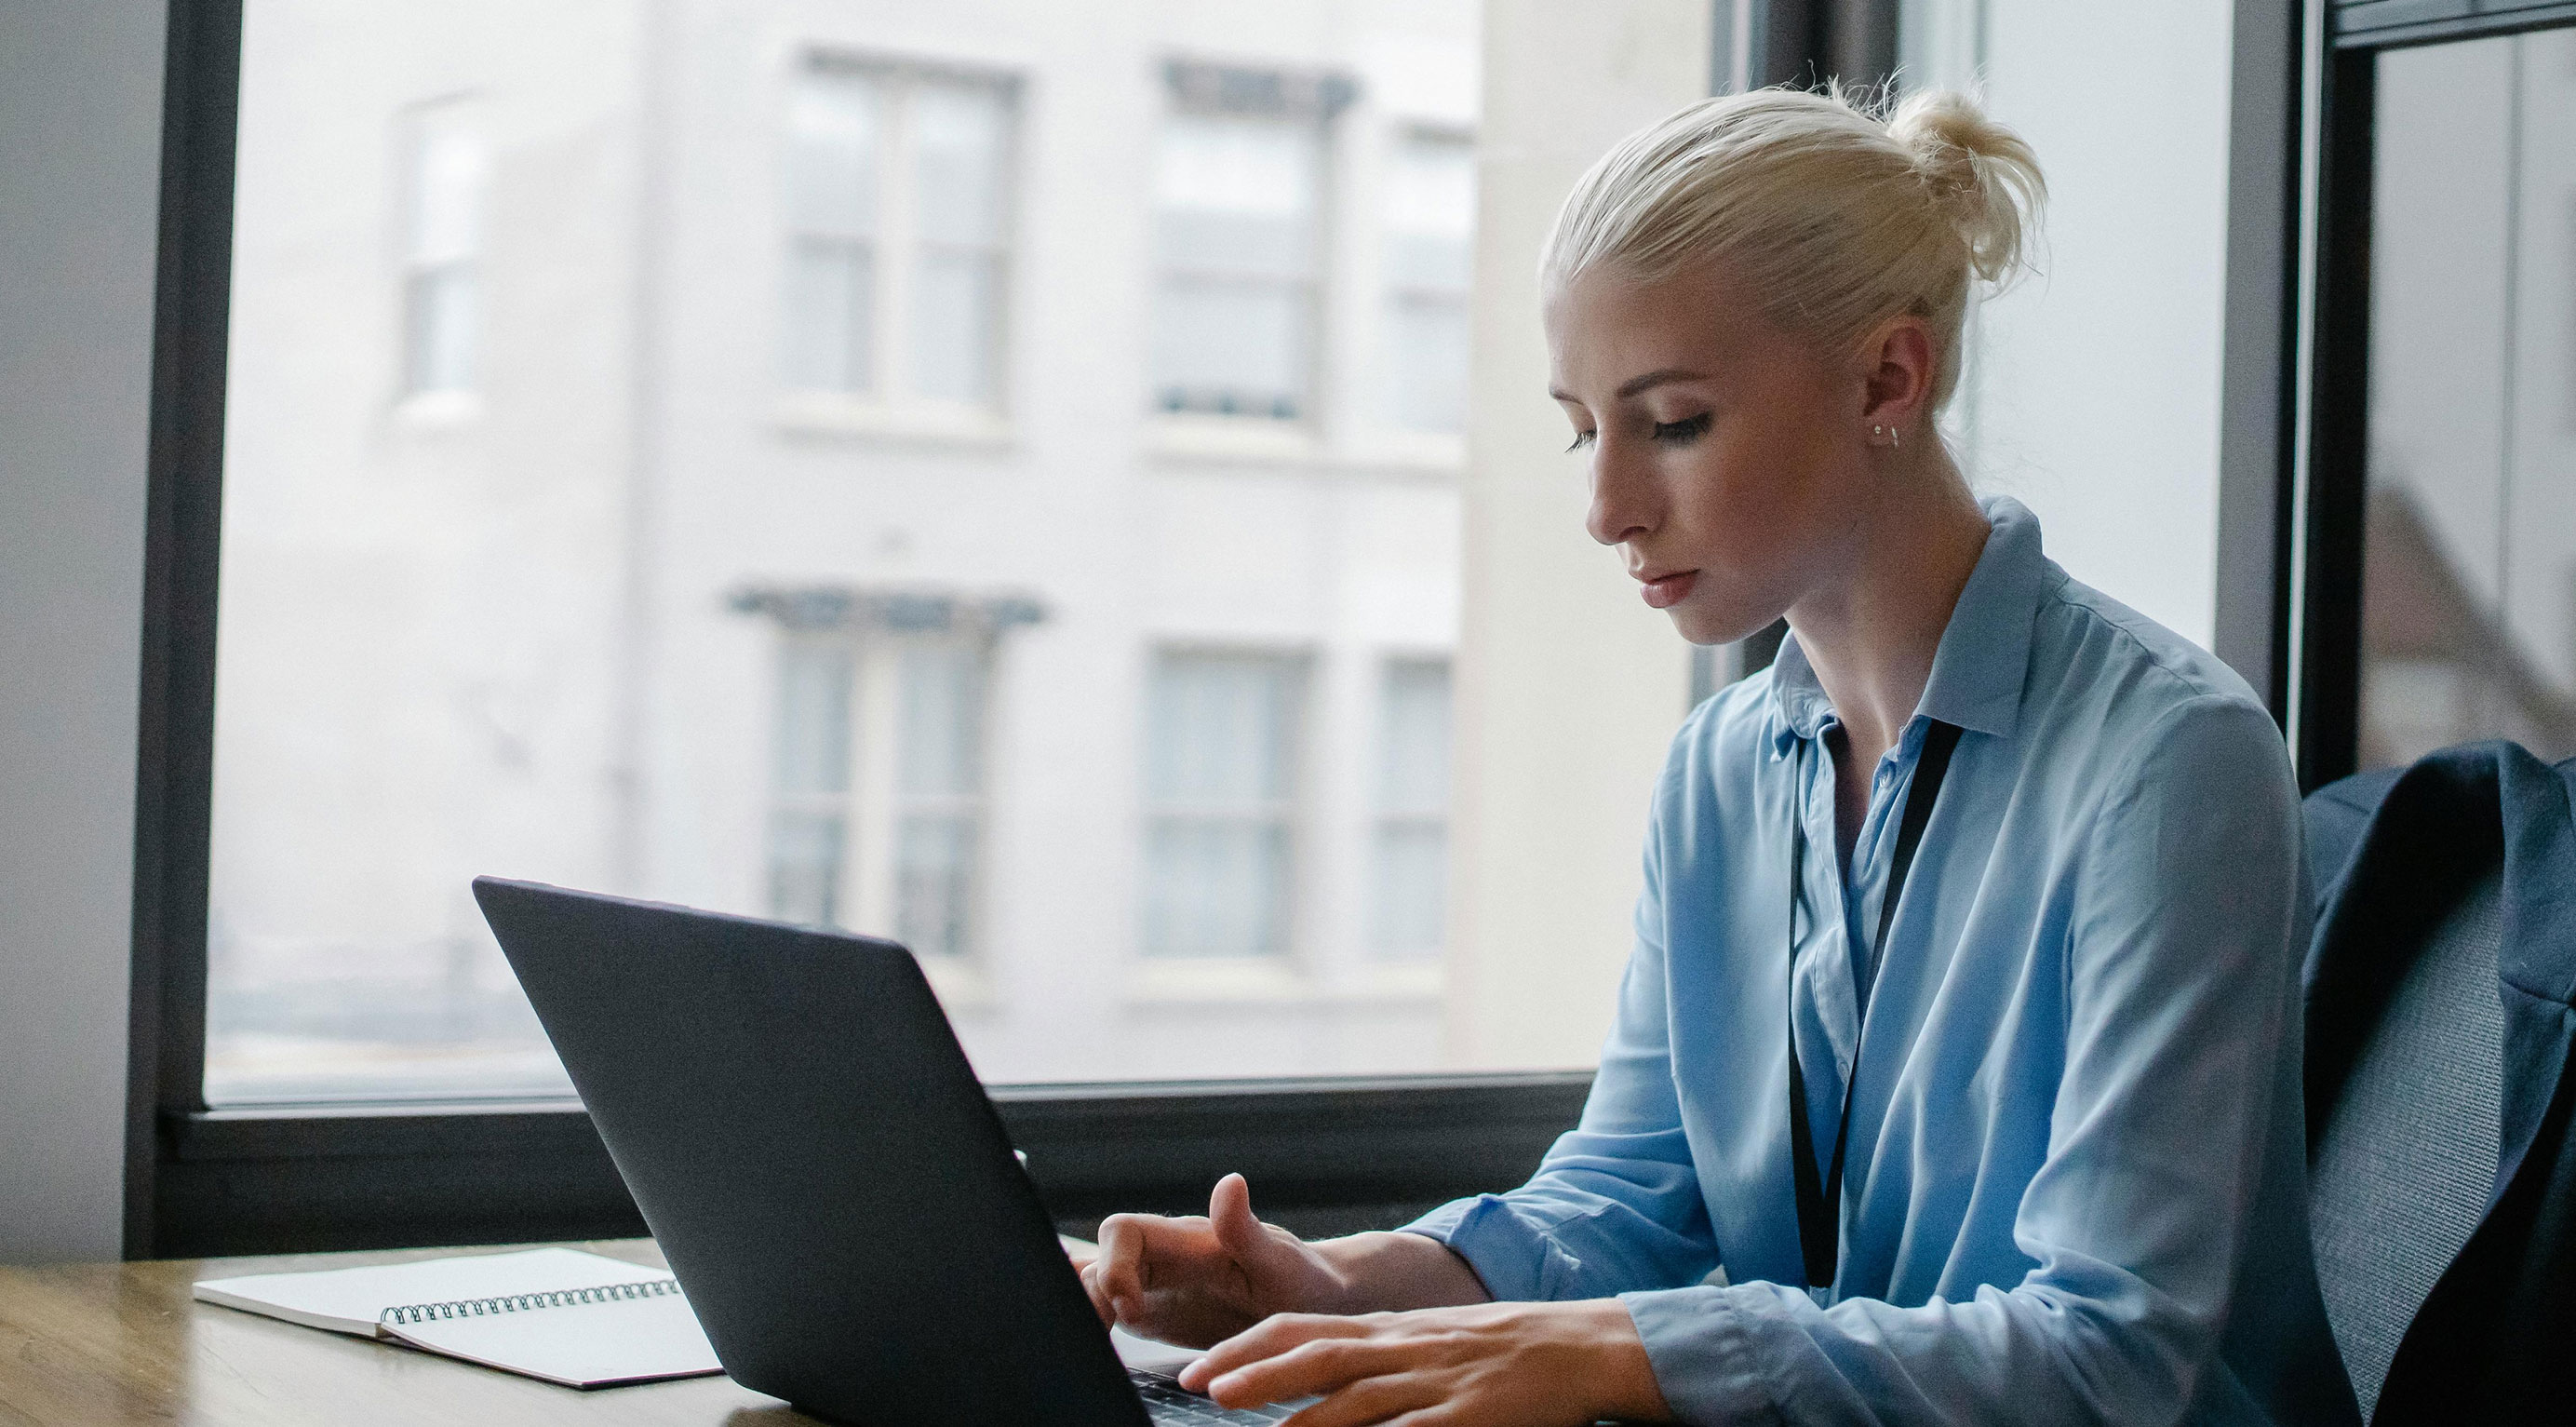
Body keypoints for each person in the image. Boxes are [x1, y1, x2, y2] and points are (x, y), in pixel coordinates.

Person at [1080, 85, 2359, 1427]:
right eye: (1586, 428)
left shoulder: (2169, 763)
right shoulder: (1722, 773)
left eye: (1673, 422)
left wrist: (1617, 1350)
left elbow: (2108, 1354)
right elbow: (1628, 1197)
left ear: (1887, 378)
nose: (1607, 508)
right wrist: (1333, 1284)